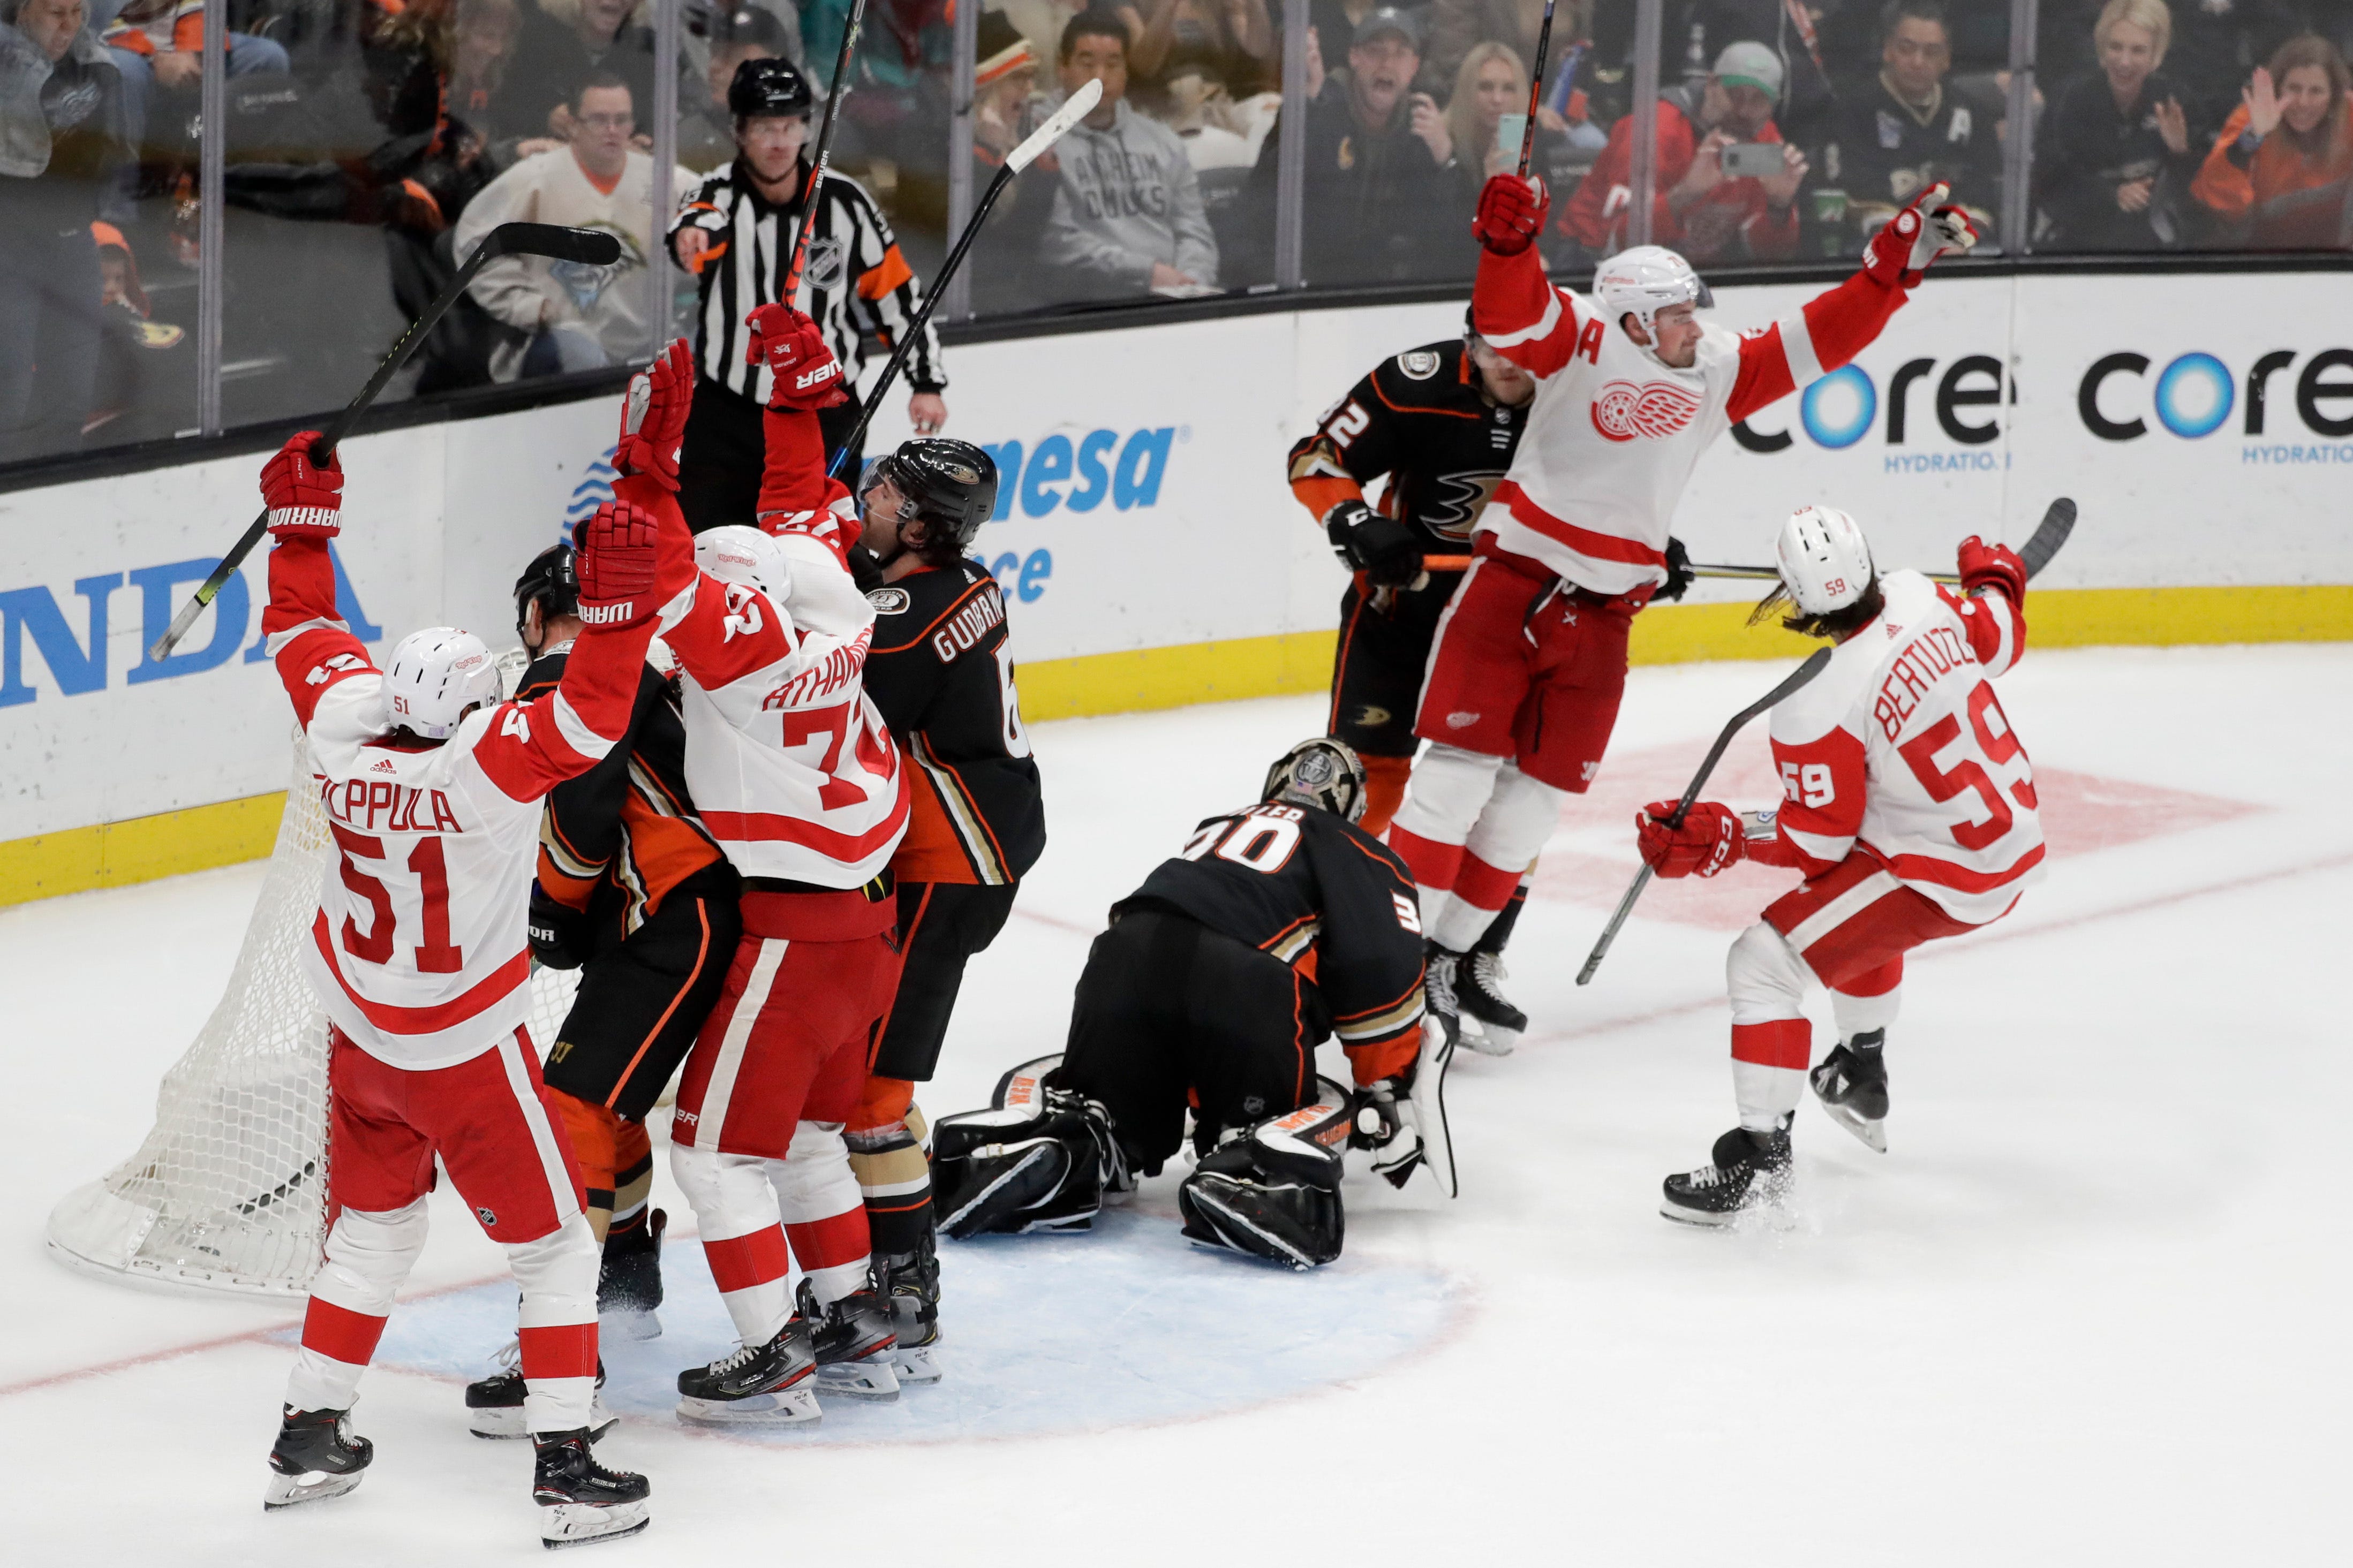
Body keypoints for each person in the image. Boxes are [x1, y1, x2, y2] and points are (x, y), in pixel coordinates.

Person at [1388, 171, 1978, 1047]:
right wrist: (1507, 245)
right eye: (1676, 315)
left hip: (1602, 620)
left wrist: (1893, 267)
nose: (1694, 327)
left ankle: (1443, 962)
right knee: (1447, 789)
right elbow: (1509, 315)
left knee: (1529, 810)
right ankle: (1377, 973)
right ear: (1632, 318)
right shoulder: (1579, 338)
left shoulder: (1710, 370)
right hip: (1511, 593)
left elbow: (1819, 339)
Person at [249, 419, 663, 1545]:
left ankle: (309, 1433)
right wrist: (620, 616)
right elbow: (590, 716)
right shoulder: (487, 760)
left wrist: (304, 524)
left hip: (363, 1047)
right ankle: (567, 1465)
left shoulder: (343, 726)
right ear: (475, 706)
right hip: (465, 1056)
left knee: (370, 1240)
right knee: (559, 1250)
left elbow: (302, 621)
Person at [608, 331, 910, 1423]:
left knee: (710, 1151)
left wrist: (649, 469)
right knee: (807, 1138)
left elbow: (671, 572)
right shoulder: (833, 607)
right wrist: (800, 402)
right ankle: (852, 1314)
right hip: (867, 931)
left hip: (791, 934)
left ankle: (767, 1348)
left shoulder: (738, 655)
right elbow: (799, 512)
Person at [1639, 508, 2040, 1224]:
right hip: (2008, 843)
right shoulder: (1922, 594)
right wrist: (1994, 583)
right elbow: (2000, 635)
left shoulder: (1813, 706)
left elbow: (1816, 843)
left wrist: (1725, 835)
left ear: (1794, 601)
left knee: (1760, 966)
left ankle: (1759, 1163)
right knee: (1852, 885)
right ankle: (1859, 1062)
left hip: (1941, 873)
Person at [931, 739, 1436, 1270]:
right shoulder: (1359, 849)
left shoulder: (1218, 826)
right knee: (1287, 1117)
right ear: (1351, 809)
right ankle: (1252, 1170)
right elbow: (1382, 968)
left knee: (1104, 1113)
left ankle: (1074, 1146)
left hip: (1122, 958)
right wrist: (1385, 1085)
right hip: (1247, 981)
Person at [451, 542, 745, 1438]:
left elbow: (581, 811)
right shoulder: (651, 652)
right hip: (684, 905)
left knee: (570, 1100)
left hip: (673, 912)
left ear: (541, 612)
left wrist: (555, 908)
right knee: (605, 1098)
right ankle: (622, 1276)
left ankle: (567, 1347)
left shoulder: (559, 679)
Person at [837, 437, 1046, 1382]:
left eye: (882, 495)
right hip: (982, 838)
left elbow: (827, 687)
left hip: (949, 859)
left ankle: (903, 1293)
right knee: (863, 1075)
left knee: (875, 1091)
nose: (866, 501)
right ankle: (887, 1277)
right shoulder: (962, 581)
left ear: (922, 527)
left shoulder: (903, 618)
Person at [1286, 314, 1535, 1050]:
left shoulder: (1576, 386)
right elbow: (1316, 457)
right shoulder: (1415, 382)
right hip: (1400, 614)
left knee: (1510, 796)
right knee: (1364, 784)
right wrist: (1356, 523)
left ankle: (1470, 955)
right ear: (1470, 347)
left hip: (1508, 624)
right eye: (1495, 354)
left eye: (1527, 353)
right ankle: (1312, 948)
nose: (1513, 369)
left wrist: (1644, 541)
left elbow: (1625, 478)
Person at [669, 55, 948, 530]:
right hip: (728, 417)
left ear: (806, 128)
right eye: (764, 128)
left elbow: (895, 293)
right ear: (738, 131)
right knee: (711, 550)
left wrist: (925, 381)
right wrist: (692, 238)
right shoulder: (715, 193)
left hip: (825, 414)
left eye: (790, 125)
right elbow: (697, 226)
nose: (779, 142)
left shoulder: (847, 202)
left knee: (815, 554)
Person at [452, 74, 677, 380]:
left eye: (621, 120)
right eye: (599, 120)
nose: (612, 131)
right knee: (579, 354)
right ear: (573, 125)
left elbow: (712, 225)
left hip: (641, 346)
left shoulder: (665, 181)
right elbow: (474, 242)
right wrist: (530, 307)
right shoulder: (534, 178)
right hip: (554, 344)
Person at [1248, 7, 1465, 285]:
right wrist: (1307, 110)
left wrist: (1446, 160)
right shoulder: (1321, 104)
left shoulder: (1421, 128)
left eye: (1400, 54)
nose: (1387, 63)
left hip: (1384, 291)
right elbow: (1266, 196)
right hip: (1312, 283)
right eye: (1376, 51)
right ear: (1355, 58)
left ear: (1414, 68)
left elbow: (1447, 237)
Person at [1, 0, 124, 459]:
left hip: (73, 242)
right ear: (21, 11)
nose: (69, 25)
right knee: (8, 388)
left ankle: (59, 484)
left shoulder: (89, 53)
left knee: (71, 387)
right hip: (8, 248)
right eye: (56, 12)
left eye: (77, 11)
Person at [1559, 40, 1807, 264]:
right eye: (1735, 95)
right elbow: (1616, 244)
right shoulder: (1654, 130)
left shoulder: (1764, 139)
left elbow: (1768, 258)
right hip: (1587, 261)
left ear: (1774, 106)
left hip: (1689, 272)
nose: (1743, 110)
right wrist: (1684, 194)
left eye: (1758, 101)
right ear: (1711, 85)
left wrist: (1779, 207)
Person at [1041, 11, 1219, 299]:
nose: (1100, 78)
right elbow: (1057, 241)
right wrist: (1148, 274)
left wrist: (1192, 283)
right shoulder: (1041, 142)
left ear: (1126, 71)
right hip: (1090, 299)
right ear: (1062, 68)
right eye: (1087, 65)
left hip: (1174, 298)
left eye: (1113, 65)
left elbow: (1194, 230)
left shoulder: (1163, 141)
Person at [1821, 1, 2002, 248]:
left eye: (1931, 52)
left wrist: (1956, 241)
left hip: (1956, 251)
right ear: (1887, 50)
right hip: (1878, 247)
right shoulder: (1853, 110)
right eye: (1906, 49)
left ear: (1947, 59)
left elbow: (1985, 191)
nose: (1918, 62)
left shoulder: (1971, 113)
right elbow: (1854, 191)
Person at [2035, 0, 2198, 251]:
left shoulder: (2174, 100)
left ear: (2156, 55)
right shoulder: (2070, 99)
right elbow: (2049, 183)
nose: (2124, 62)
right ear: (2101, 49)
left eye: (2138, 51)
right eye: (2116, 47)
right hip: (2079, 243)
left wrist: (2180, 152)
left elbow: (2200, 201)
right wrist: (2113, 196)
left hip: (2156, 248)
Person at [2189, 33, 2353, 250]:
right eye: (2294, 89)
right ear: (2277, 89)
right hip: (2264, 260)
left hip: (2335, 261)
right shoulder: (2251, 119)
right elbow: (2213, 198)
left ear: (2334, 97)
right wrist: (2252, 139)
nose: (2303, 103)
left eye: (2316, 91)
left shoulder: (2348, 114)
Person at [99, 0, 286, 160]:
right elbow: (92, 19)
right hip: (120, 48)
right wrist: (153, 58)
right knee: (126, 73)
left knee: (269, 58)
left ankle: (240, 181)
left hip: (181, 47)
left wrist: (193, 51)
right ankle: (121, 194)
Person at [680, 3, 786, 171]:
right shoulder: (683, 139)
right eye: (714, 51)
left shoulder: (817, 142)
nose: (714, 66)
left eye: (732, 55)